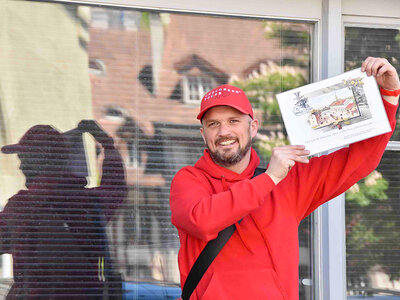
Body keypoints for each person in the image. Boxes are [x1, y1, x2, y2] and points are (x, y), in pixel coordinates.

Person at [169, 57, 400, 300]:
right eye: (213, 124)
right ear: (203, 134)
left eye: (233, 121)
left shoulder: (288, 180)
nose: (224, 132)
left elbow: (358, 159)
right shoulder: (190, 180)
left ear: (254, 127)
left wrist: (388, 96)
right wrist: (269, 179)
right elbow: (203, 220)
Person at [0, 120, 127, 299]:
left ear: (38, 161)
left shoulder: (22, 206)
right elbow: (115, 187)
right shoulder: (90, 203)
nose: (20, 166)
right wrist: (106, 144)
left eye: (24, 159)